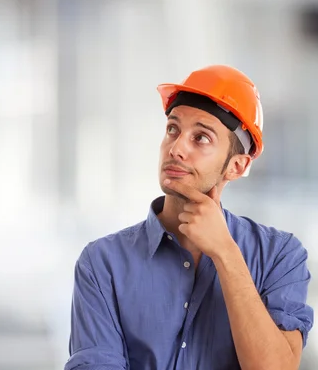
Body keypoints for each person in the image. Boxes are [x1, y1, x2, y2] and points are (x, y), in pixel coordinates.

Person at [64, 64, 314, 370]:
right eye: (173, 129)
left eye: (201, 138)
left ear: (235, 166)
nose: (177, 148)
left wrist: (225, 253)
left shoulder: (279, 256)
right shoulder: (103, 264)